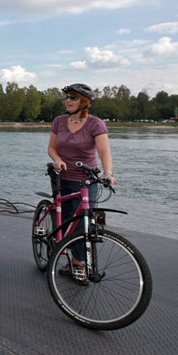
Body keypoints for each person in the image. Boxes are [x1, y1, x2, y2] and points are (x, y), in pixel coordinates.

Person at [47, 83, 117, 285]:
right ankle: (69, 255)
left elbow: (104, 152)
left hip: (87, 181)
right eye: (67, 97)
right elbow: (51, 147)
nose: (67, 100)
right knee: (66, 220)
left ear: (84, 102)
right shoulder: (59, 122)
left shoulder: (95, 124)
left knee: (82, 223)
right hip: (63, 177)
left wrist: (108, 173)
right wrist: (57, 160)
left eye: (73, 97)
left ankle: (77, 264)